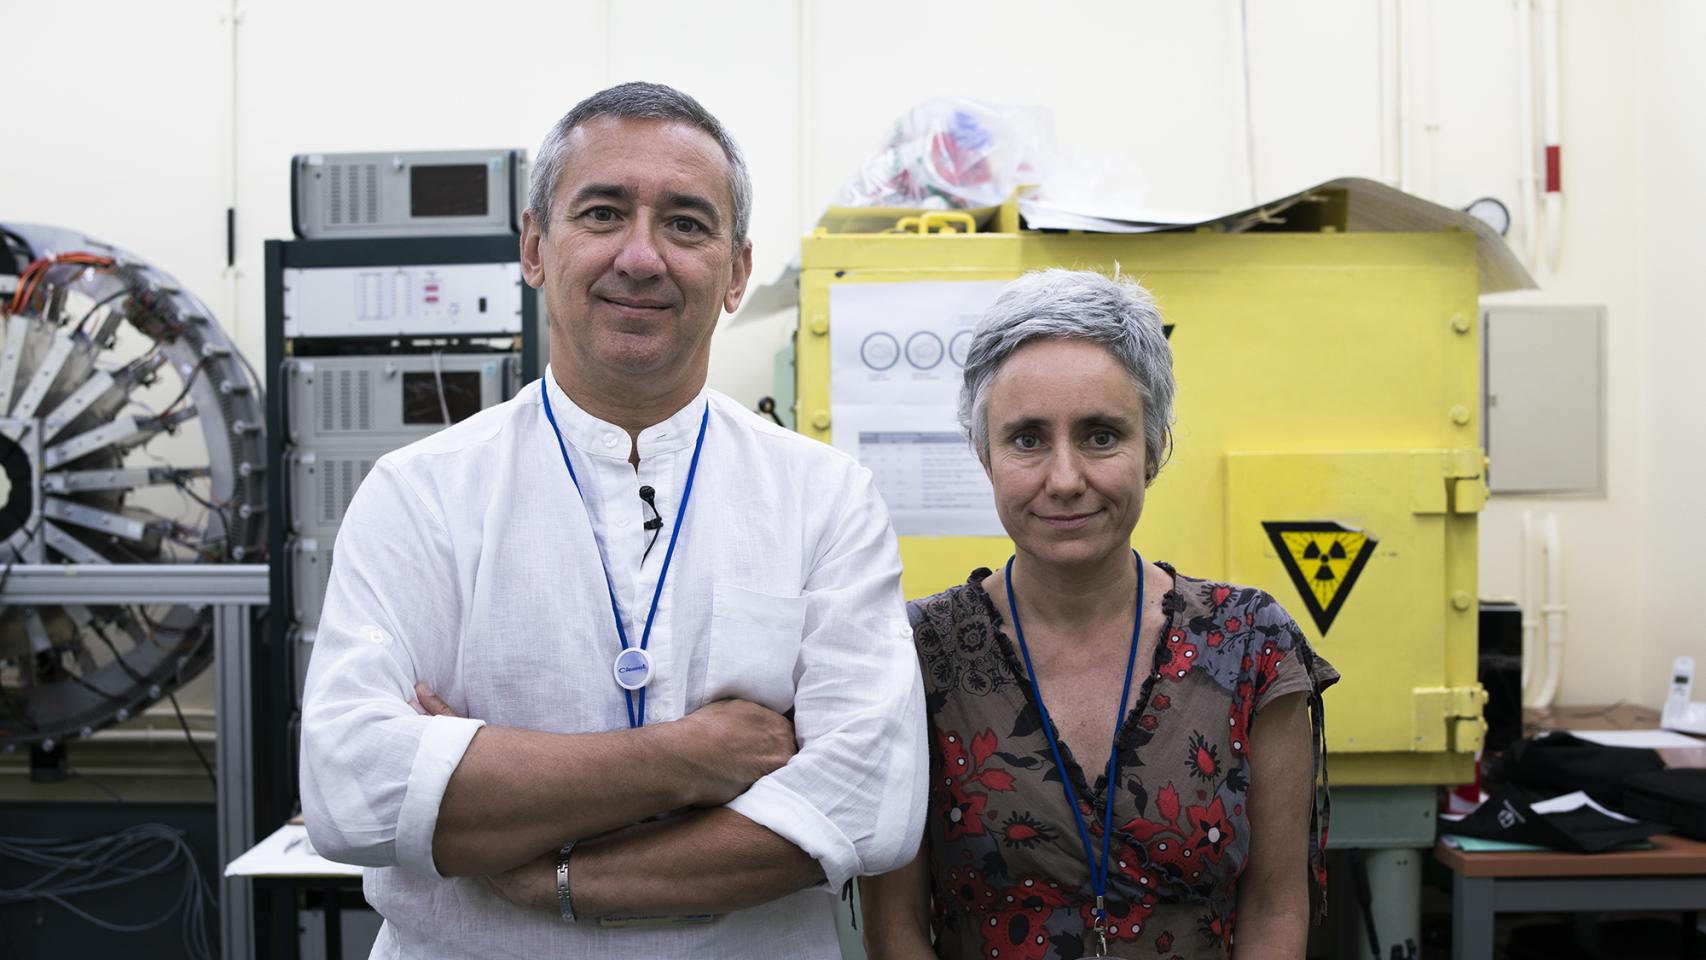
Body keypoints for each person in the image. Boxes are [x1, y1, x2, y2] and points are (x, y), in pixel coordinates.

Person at [299, 82, 927, 958]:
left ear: (737, 272)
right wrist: (695, 758)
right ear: (533, 247)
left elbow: (872, 802)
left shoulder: (825, 499)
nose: (641, 256)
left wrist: (544, 870)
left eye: (685, 223)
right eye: (601, 213)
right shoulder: (422, 495)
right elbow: (351, 789)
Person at [860, 270, 1337, 960]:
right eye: (1026, 439)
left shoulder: (1250, 646)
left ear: (1155, 448)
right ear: (983, 455)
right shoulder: (917, 654)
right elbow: (895, 929)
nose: (1064, 478)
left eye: (1100, 436)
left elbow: (1275, 908)